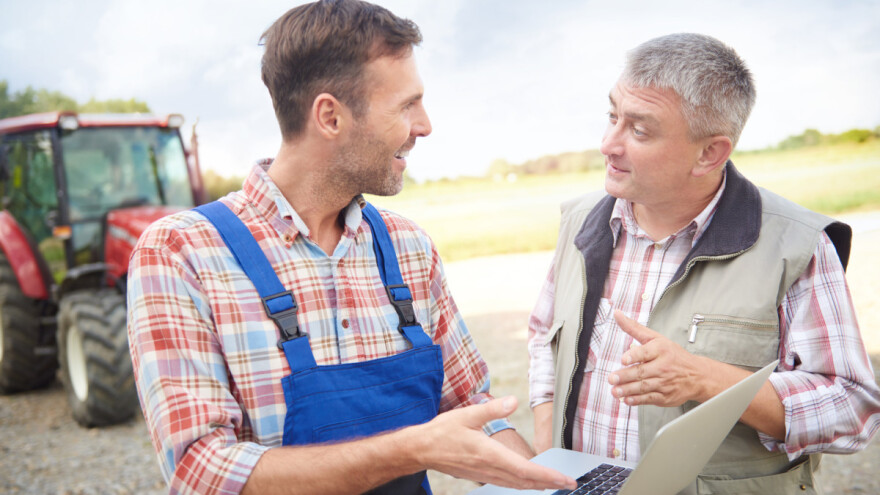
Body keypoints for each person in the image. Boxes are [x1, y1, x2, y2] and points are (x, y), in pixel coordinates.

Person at [127, 1, 576, 494]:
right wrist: (409, 450)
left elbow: (471, 409)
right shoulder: (180, 253)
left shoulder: (408, 247)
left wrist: (549, 486)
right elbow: (201, 471)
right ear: (330, 117)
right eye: (407, 105)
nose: (424, 125)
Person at [528, 33, 880, 494]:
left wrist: (704, 377)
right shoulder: (577, 221)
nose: (607, 144)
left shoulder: (798, 245)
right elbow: (543, 336)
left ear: (709, 153)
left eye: (639, 130)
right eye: (613, 116)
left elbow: (852, 409)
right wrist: (546, 443)